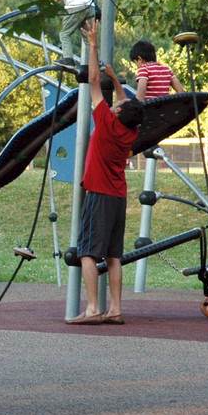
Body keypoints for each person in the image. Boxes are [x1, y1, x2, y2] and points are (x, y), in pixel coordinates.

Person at [68, 20, 145, 325]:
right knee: (114, 256)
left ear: (116, 114)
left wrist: (93, 43)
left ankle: (91, 308)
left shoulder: (106, 123)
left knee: (87, 252)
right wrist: (115, 78)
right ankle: (115, 308)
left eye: (118, 105)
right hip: (118, 196)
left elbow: (92, 80)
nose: (116, 104)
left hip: (99, 193)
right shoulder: (130, 131)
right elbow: (127, 105)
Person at [41, 0, 95, 64]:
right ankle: (96, 63)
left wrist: (54, 4)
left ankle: (69, 59)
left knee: (64, 33)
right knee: (89, 38)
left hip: (75, 6)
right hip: (89, 5)